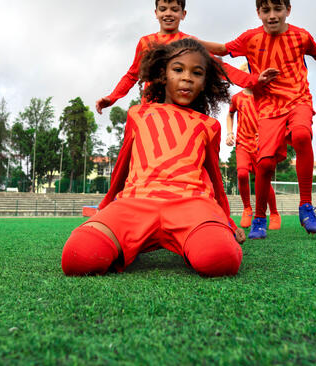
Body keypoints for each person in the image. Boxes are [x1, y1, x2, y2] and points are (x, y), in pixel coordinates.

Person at [62, 38, 248, 277]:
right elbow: (121, 169)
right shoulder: (137, 114)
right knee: (77, 257)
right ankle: (130, 242)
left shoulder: (209, 125)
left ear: (205, 83)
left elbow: (215, 181)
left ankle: (193, 239)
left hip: (191, 205)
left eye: (197, 72)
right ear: (162, 75)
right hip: (135, 203)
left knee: (220, 259)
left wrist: (228, 222)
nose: (187, 77)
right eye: (178, 69)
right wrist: (105, 207)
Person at [201, 0, 316, 239]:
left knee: (302, 135)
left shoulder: (301, 36)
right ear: (258, 12)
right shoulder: (250, 39)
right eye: (266, 10)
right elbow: (222, 49)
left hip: (298, 100)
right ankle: (259, 217)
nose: (272, 16)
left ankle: (306, 207)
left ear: (288, 9)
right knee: (264, 165)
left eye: (278, 9)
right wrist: (187, 40)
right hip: (269, 108)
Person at [95, 0, 263, 115]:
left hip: (183, 109)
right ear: (156, 13)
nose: (168, 14)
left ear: (183, 14)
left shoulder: (190, 43)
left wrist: (253, 81)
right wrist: (112, 98)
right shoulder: (146, 42)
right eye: (163, 9)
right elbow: (132, 75)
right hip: (152, 109)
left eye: (174, 10)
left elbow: (218, 67)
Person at [226, 85, 280, 229]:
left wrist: (266, 134)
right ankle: (247, 209)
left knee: (263, 180)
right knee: (242, 173)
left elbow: (274, 117)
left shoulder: (265, 96)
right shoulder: (237, 98)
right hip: (242, 143)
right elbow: (230, 114)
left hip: (261, 145)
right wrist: (229, 133)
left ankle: (274, 213)